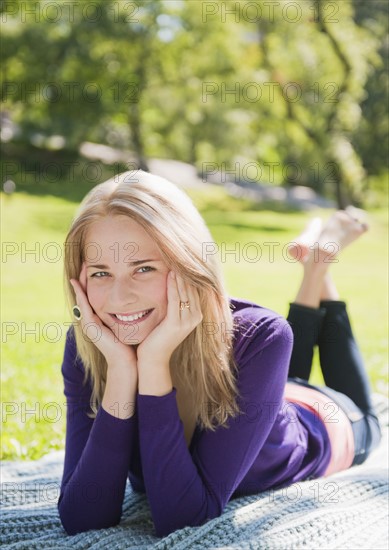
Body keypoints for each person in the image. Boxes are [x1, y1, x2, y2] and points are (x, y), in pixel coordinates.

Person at [58, 170, 381, 538]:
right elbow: (82, 517)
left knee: (368, 416)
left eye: (143, 268)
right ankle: (315, 262)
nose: (118, 299)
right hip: (267, 397)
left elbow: (181, 518)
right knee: (286, 377)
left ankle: (319, 266)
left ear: (189, 264)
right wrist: (120, 370)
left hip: (325, 423)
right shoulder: (93, 347)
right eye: (100, 273)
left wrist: (153, 364)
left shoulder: (262, 337)